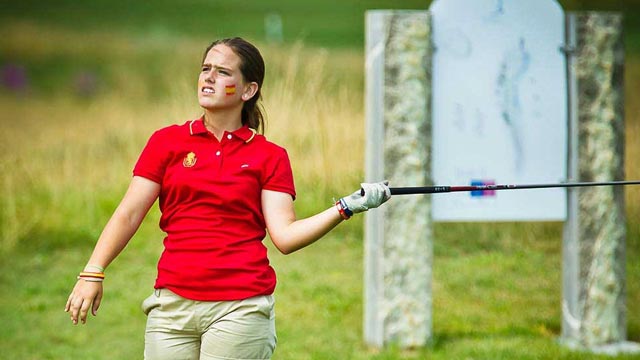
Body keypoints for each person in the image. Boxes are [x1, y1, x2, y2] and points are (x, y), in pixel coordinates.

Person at [64, 37, 391, 360]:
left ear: (248, 90)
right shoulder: (168, 142)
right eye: (205, 68)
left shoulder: (269, 157)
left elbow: (285, 237)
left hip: (241, 308)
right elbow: (129, 213)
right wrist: (93, 271)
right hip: (171, 306)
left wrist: (346, 206)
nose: (208, 77)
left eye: (222, 72)